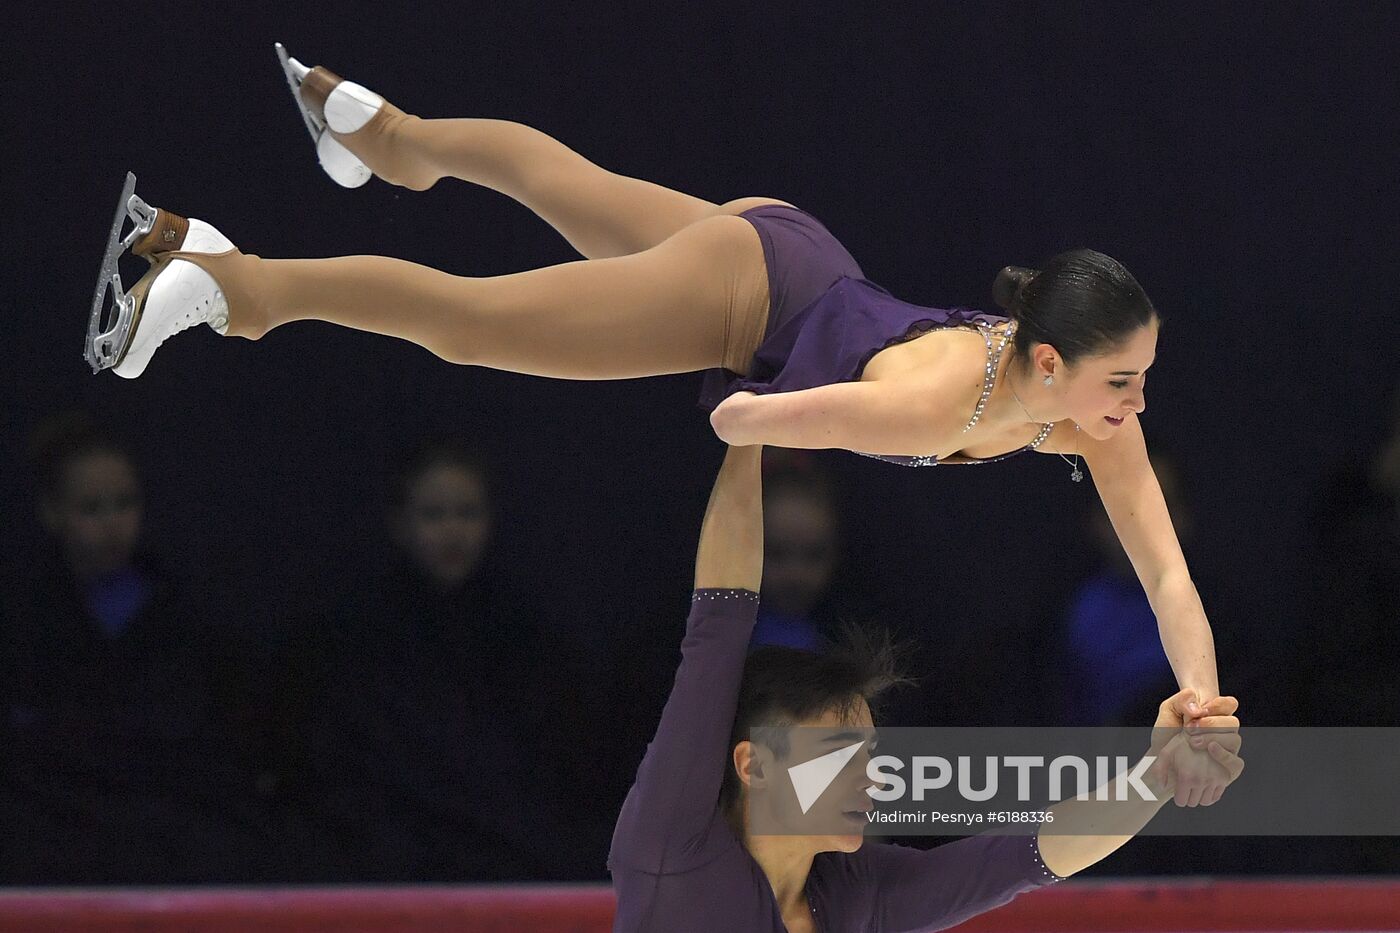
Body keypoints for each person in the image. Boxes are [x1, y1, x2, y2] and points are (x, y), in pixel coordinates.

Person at [90, 47, 1232, 798]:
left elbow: (1166, 574)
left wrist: (1197, 690)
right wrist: (750, 417)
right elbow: (825, 414)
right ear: (1048, 359)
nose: (1135, 403)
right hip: (748, 301)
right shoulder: (946, 393)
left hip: (794, 251)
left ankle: (387, 139)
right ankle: (229, 279)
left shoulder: (1091, 424)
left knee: (565, 184)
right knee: (472, 323)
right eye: (1123, 379)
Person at [609, 443, 1243, 931]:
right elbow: (717, 625)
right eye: (838, 752)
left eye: (869, 755)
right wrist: (746, 433)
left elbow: (1035, 851)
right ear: (754, 764)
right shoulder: (672, 841)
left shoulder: (861, 894)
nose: (871, 777)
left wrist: (1157, 777)